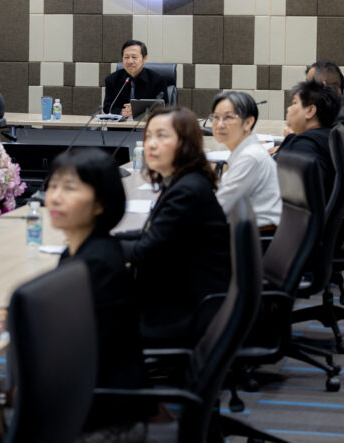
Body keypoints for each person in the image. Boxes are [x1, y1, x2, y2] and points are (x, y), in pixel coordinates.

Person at [45, 149, 147, 438]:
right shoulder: (83, 250)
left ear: (101, 203)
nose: (55, 197)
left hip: (102, 413)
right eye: (53, 186)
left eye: (69, 188)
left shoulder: (96, 265)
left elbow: (71, 347)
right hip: (88, 395)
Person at [119, 106, 231, 346]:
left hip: (187, 308)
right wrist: (105, 240)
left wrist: (95, 246)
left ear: (185, 144)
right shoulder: (183, 182)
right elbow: (151, 234)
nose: (151, 144)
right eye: (148, 136)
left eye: (161, 136)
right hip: (185, 292)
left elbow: (145, 250)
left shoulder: (187, 191)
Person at [211, 91, 282, 229]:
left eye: (228, 117)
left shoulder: (250, 157)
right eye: (216, 117)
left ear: (248, 122)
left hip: (257, 235)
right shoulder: (244, 152)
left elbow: (220, 207)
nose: (219, 124)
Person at [275, 79, 342, 196]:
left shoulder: (304, 148)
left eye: (294, 103)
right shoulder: (323, 137)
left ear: (310, 111)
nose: (289, 109)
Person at [306, 60, 344, 178]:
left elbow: (316, 151)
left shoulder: (343, 121)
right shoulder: (336, 112)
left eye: (308, 85)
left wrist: (293, 138)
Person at [102, 40, 169, 119]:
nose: (130, 61)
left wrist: (139, 111)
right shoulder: (112, 80)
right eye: (126, 57)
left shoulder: (158, 80)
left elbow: (164, 108)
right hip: (121, 124)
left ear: (144, 59)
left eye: (134, 57)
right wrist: (122, 112)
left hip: (146, 123)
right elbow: (107, 107)